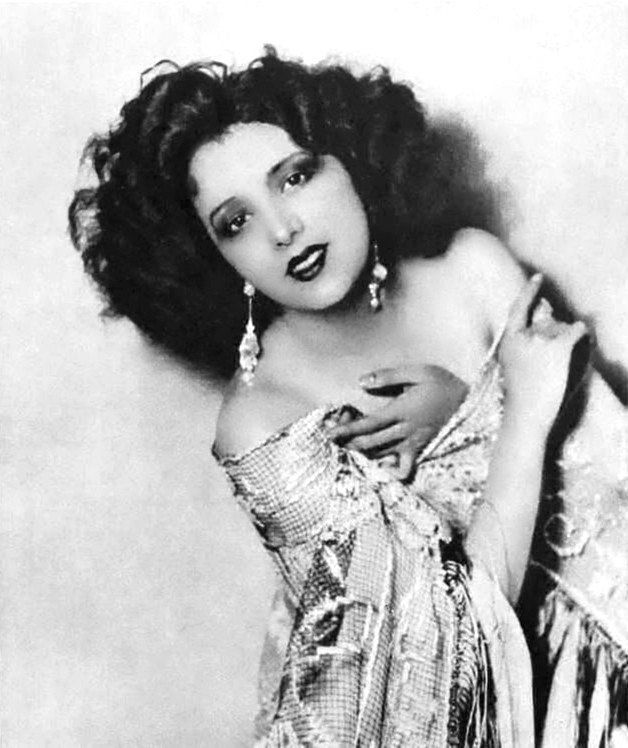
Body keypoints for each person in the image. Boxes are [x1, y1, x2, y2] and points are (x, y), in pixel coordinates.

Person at [69, 49, 601, 745]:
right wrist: (521, 413)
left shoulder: (470, 268)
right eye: (235, 222)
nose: (282, 230)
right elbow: (449, 666)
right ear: (213, 258)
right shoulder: (263, 423)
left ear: (352, 160)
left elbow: (609, 479)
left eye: (295, 177)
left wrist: (468, 408)